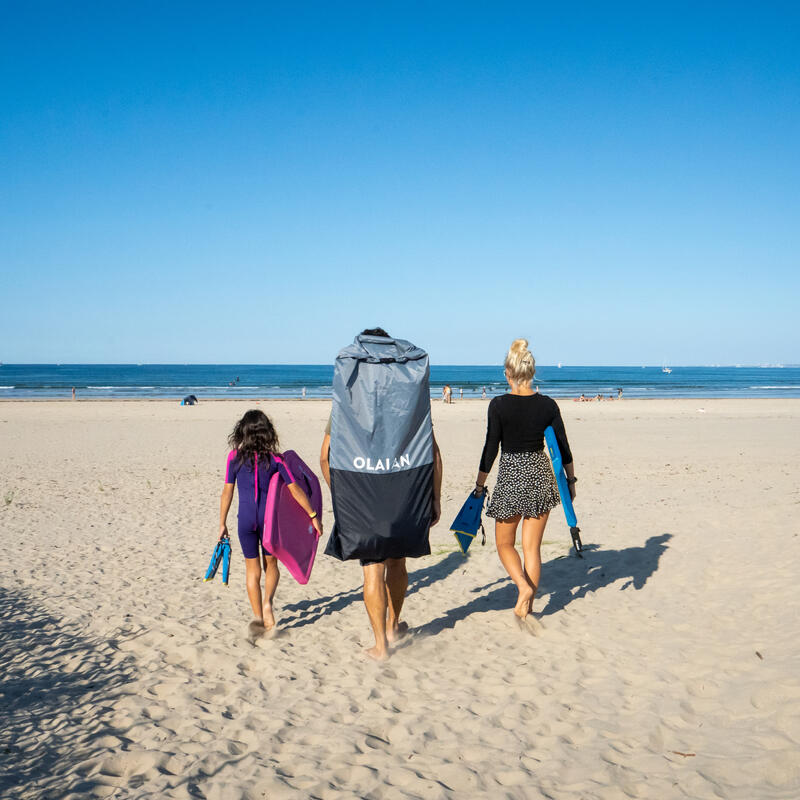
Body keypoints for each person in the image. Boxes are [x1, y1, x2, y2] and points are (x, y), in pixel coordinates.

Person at [320, 328, 443, 660]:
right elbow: (432, 453)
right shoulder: (410, 402)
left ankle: (381, 644)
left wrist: (345, 495)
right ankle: (393, 624)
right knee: (398, 563)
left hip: (362, 489)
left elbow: (325, 456)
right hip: (405, 488)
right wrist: (434, 497)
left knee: (372, 569)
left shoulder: (347, 403)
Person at [472, 339, 576, 629]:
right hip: (540, 475)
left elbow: (490, 448)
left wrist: (480, 485)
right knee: (532, 548)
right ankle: (526, 609)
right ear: (532, 372)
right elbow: (564, 448)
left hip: (511, 476)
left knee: (504, 544)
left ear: (507, 372)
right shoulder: (547, 405)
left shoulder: (499, 405)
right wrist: (570, 480)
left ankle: (523, 587)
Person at [218, 409, 322, 636]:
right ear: (268, 433)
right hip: (268, 524)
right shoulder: (277, 460)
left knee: (251, 571)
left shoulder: (233, 458)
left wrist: (222, 523)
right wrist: (313, 516)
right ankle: (267, 604)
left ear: (242, 431)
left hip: (245, 521)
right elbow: (295, 490)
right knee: (271, 566)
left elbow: (227, 492)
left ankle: (258, 617)